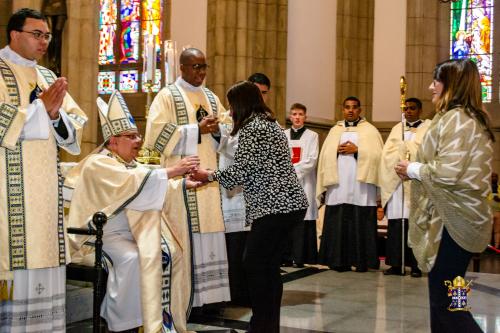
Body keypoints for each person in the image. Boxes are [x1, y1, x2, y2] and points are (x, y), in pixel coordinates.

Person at [65, 90, 200, 333]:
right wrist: (172, 171)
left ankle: (151, 320)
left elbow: (146, 182)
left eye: (138, 135)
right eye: (131, 136)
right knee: (133, 258)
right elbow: (133, 182)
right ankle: (122, 324)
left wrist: (181, 185)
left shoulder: (129, 164)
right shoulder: (98, 163)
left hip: (129, 234)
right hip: (99, 238)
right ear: (113, 141)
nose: (138, 140)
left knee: (172, 252)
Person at [191, 81, 308, 333]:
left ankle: (262, 326)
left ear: (241, 103)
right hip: (287, 205)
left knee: (254, 264)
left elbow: (241, 171)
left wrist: (207, 175)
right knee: (267, 267)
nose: (230, 111)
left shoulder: (253, 128)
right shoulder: (268, 123)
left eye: (232, 105)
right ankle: (267, 326)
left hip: (276, 206)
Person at [0, 8, 87, 332]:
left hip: (45, 196)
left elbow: (75, 126)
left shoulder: (49, 78)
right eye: (37, 34)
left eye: (47, 36)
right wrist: (40, 110)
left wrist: (53, 116)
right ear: (14, 34)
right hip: (8, 196)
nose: (44, 42)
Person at [396, 58, 495, 333]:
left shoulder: (458, 119)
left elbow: (449, 173)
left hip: (455, 223)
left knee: (448, 304)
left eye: (436, 81)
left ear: (451, 84)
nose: (430, 87)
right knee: (450, 296)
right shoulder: (466, 117)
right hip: (460, 220)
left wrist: (413, 168)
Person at [144, 47, 230, 308]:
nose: (201, 72)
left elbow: (228, 129)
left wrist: (217, 132)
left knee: (209, 230)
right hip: (181, 181)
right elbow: (155, 135)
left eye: (204, 67)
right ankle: (185, 299)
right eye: (196, 67)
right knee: (185, 233)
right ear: (182, 67)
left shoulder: (211, 97)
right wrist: (196, 129)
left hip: (208, 179)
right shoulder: (167, 96)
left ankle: (209, 299)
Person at [316, 96, 383, 272]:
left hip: (361, 187)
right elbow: (324, 157)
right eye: (347, 107)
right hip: (338, 185)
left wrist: (358, 150)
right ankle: (337, 261)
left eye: (354, 107)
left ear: (360, 110)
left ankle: (362, 261)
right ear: (343, 110)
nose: (350, 110)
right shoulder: (334, 130)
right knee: (338, 221)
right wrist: (334, 152)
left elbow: (378, 157)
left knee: (360, 221)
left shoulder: (370, 130)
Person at [379, 97, 430, 278]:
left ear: (420, 110)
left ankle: (416, 265)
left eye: (412, 108)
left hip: (415, 182)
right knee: (396, 225)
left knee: (414, 225)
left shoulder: (427, 128)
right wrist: (399, 153)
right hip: (397, 184)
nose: (408, 111)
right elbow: (387, 155)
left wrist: (406, 148)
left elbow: (427, 153)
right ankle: (395, 264)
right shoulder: (396, 129)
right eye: (406, 108)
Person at [283, 103, 319, 267]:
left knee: (303, 219)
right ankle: (285, 256)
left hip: (305, 183)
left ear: (305, 117)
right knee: (286, 220)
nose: (297, 117)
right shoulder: (282, 135)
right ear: (290, 117)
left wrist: (292, 172)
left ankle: (301, 257)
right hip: (285, 185)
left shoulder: (312, 136)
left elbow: (311, 160)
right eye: (294, 114)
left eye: (300, 114)